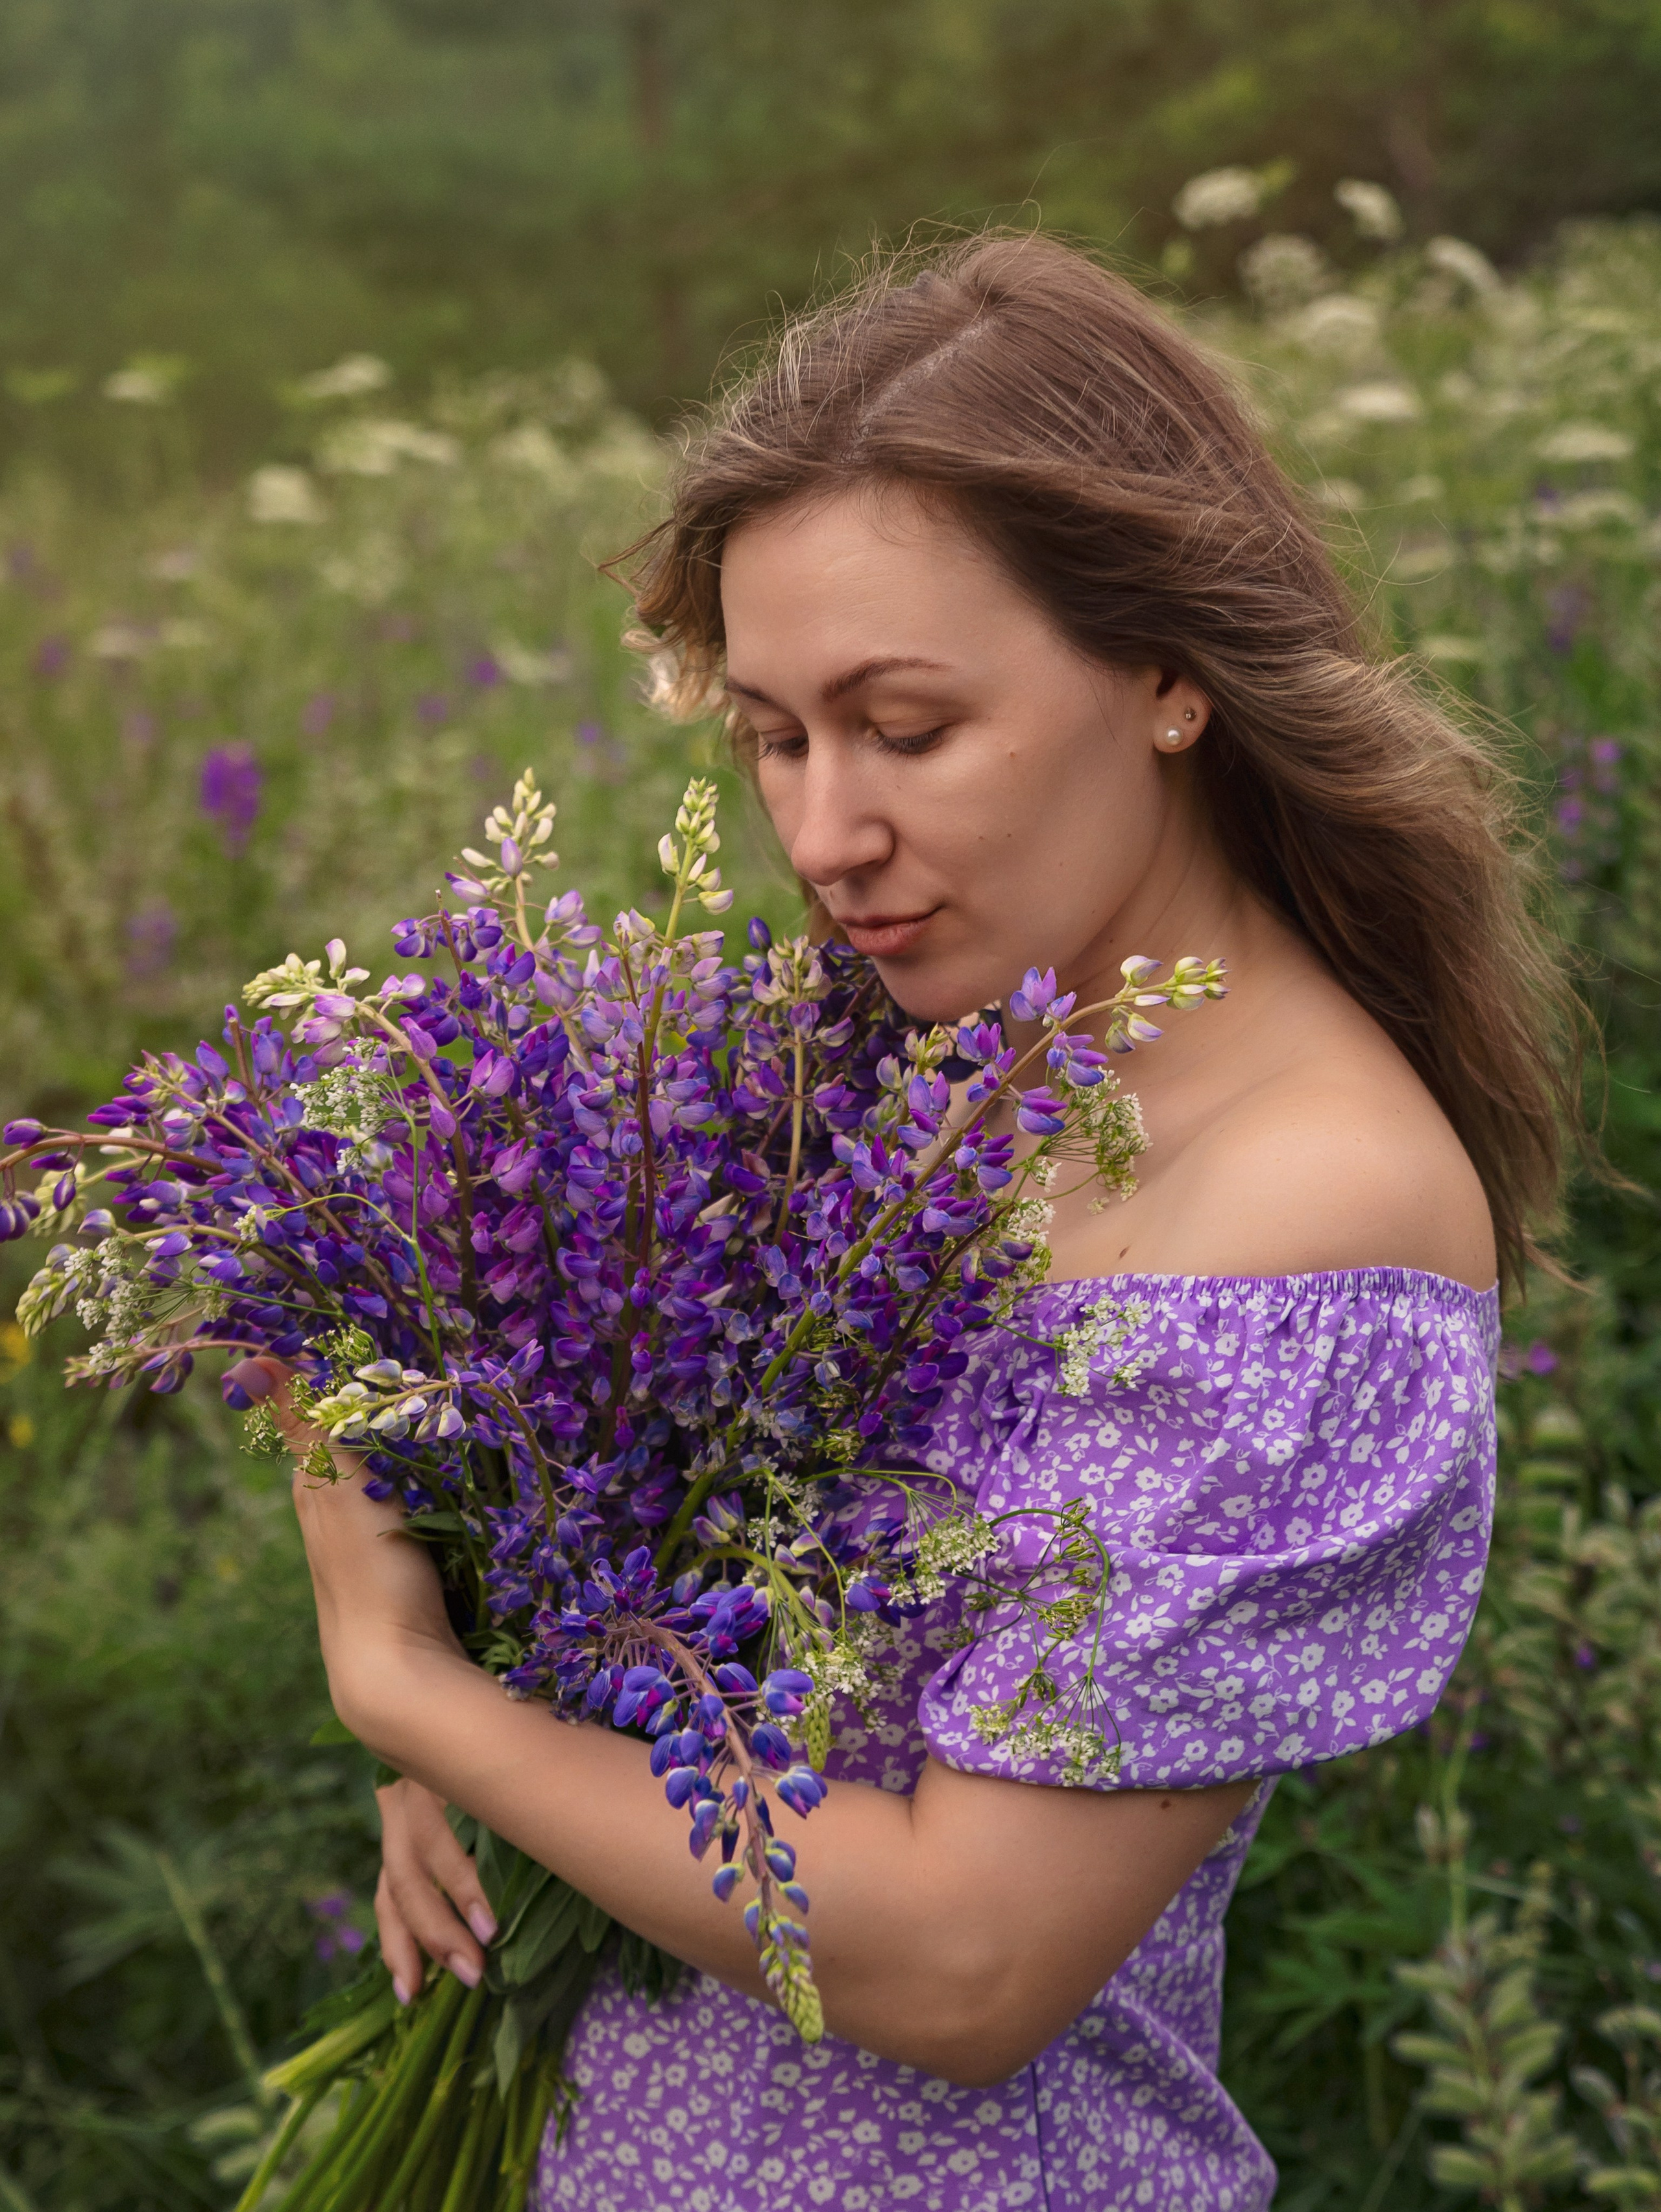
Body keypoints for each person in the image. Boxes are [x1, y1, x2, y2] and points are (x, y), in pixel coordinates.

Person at [271, 234, 1579, 2211]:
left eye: (907, 725)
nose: (823, 837)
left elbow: (970, 1958)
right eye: (777, 736)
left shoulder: (1310, 1210)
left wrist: (411, 1685)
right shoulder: (913, 1047)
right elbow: (638, 1533)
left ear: (1166, 674)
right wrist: (491, 1717)